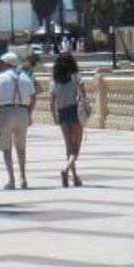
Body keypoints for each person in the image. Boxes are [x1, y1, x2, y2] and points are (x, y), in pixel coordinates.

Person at [0, 49, 36, 189]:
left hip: (6, 111)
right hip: (22, 111)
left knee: (6, 147)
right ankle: (23, 177)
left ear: (6, 63)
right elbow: (33, 98)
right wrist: (29, 113)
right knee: (21, 147)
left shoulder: (1, 77)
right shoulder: (26, 78)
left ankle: (11, 179)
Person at [50, 51, 88, 187]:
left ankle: (75, 176)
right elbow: (83, 94)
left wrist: (54, 116)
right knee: (76, 148)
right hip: (74, 111)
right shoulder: (76, 77)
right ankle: (66, 169)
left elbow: (52, 100)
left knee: (68, 145)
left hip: (62, 112)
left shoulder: (55, 80)